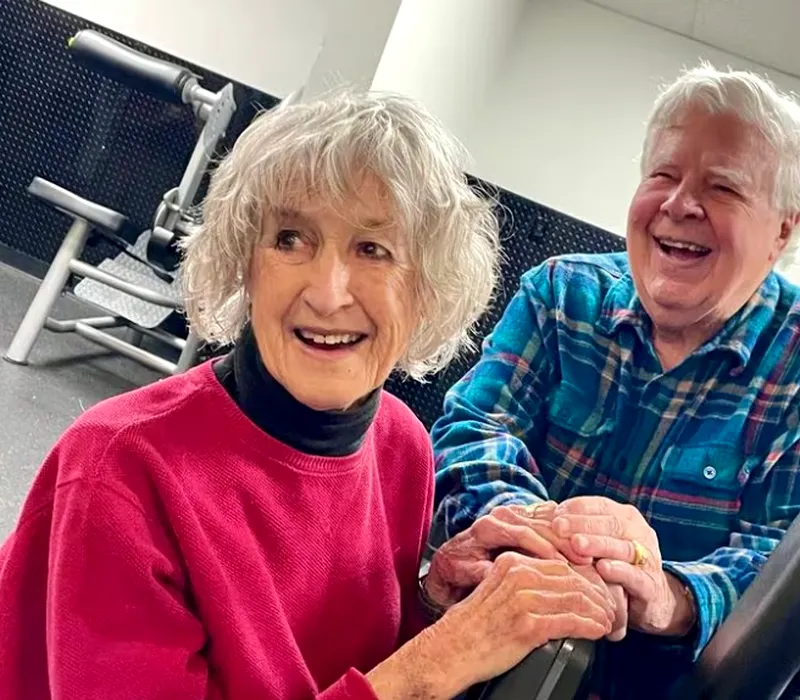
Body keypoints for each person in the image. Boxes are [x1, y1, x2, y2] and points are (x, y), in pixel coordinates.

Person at [0, 90, 619, 700]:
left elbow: (350, 664)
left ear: (426, 291)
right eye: (291, 239)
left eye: (373, 249)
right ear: (244, 263)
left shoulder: (401, 445)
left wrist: (434, 602)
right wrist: (437, 662)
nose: (327, 294)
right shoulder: (120, 467)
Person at [425, 61, 800, 698]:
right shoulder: (561, 292)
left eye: (722, 187)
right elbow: (475, 427)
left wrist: (667, 593)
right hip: (481, 657)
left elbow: (785, 558)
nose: (679, 204)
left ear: (785, 227)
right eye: (663, 176)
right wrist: (537, 536)